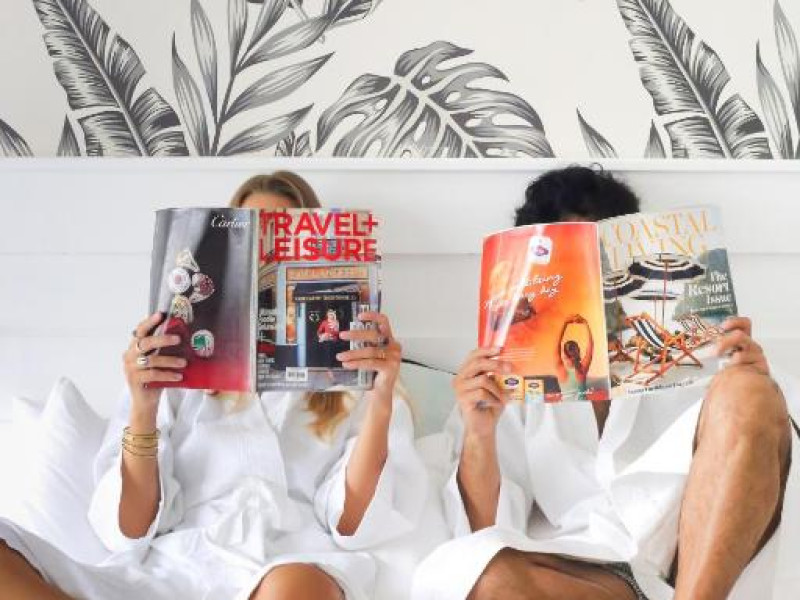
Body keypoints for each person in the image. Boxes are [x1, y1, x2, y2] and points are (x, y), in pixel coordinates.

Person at [0, 171, 426, 600]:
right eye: (251, 246)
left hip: (289, 563)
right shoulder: (174, 366)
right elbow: (129, 529)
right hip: (178, 569)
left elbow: (354, 526)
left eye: (280, 244)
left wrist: (381, 400)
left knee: (296, 587)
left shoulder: (355, 381)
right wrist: (144, 408)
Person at [413, 166, 797, 600]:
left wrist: (753, 376)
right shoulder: (504, 376)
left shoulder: (699, 346)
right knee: (477, 574)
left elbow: (767, 459)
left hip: (692, 567)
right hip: (589, 579)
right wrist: (480, 431)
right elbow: (482, 530)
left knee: (749, 392)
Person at [555, 314, 593, 398]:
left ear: (565, 352)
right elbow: (590, 347)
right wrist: (585, 323)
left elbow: (557, 344)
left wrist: (565, 323)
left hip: (567, 405)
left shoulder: (560, 369)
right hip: (584, 405)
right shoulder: (582, 368)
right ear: (578, 351)